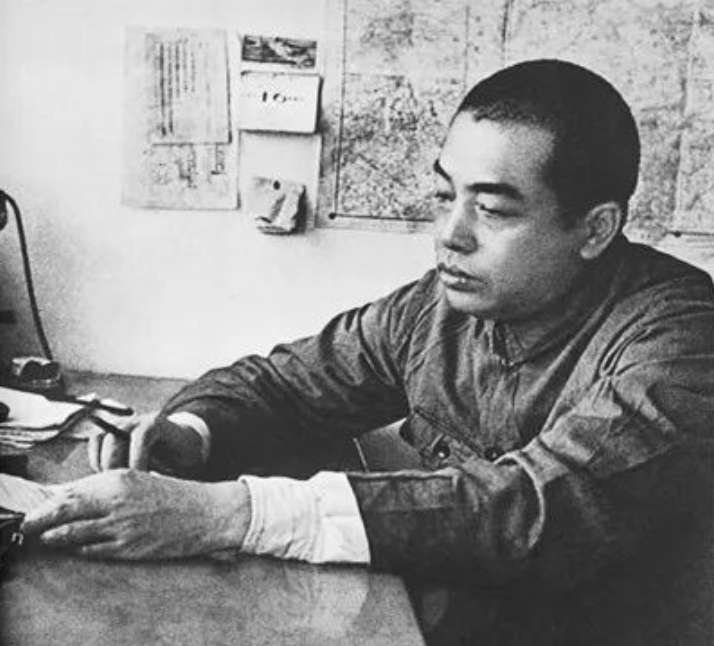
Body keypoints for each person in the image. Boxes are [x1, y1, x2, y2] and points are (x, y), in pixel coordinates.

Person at [24, 59, 714, 646]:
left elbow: (528, 509)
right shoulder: (438, 308)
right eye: (444, 194)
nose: (450, 234)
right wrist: (188, 435)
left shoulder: (681, 339)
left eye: (493, 209)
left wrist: (230, 515)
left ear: (595, 229)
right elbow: (285, 384)